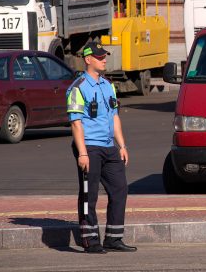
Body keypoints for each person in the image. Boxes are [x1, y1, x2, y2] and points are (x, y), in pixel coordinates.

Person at [66, 42, 137, 253]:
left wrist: (122, 145)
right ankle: (90, 240)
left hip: (109, 147)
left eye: (104, 56)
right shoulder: (78, 87)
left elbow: (114, 117)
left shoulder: (108, 85)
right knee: (89, 194)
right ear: (88, 60)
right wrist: (83, 153)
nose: (104, 59)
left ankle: (113, 239)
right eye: (99, 57)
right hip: (89, 147)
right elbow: (75, 123)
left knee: (120, 189)